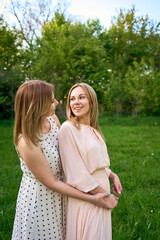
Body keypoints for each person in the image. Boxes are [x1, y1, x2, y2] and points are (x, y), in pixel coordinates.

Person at [12, 80, 117, 240]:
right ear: (38, 105)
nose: (56, 102)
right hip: (40, 201)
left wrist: (110, 174)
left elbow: (73, 153)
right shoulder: (27, 142)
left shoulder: (52, 120)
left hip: (61, 194)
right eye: (51, 100)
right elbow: (51, 182)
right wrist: (93, 198)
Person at [58, 83, 123, 240]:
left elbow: (95, 161)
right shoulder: (68, 129)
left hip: (99, 189)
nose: (76, 102)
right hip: (87, 194)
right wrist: (105, 195)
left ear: (92, 101)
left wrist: (112, 175)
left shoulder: (93, 128)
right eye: (72, 99)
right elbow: (77, 173)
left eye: (81, 97)